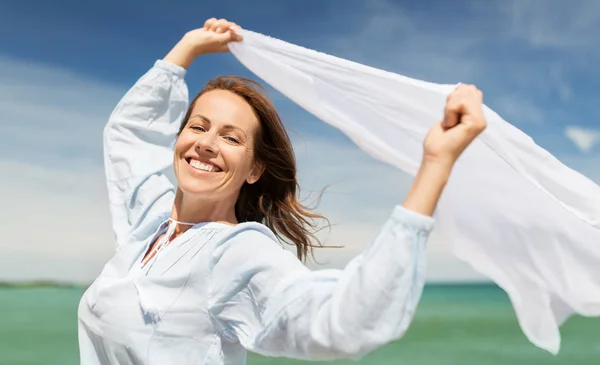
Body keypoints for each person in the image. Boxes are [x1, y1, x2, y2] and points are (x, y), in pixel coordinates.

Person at [77, 18, 487, 365]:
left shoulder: (235, 254)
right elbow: (128, 136)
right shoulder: (149, 222)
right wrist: (188, 48)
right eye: (198, 127)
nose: (205, 143)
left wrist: (435, 164)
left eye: (231, 138)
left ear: (254, 170)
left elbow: (341, 322)